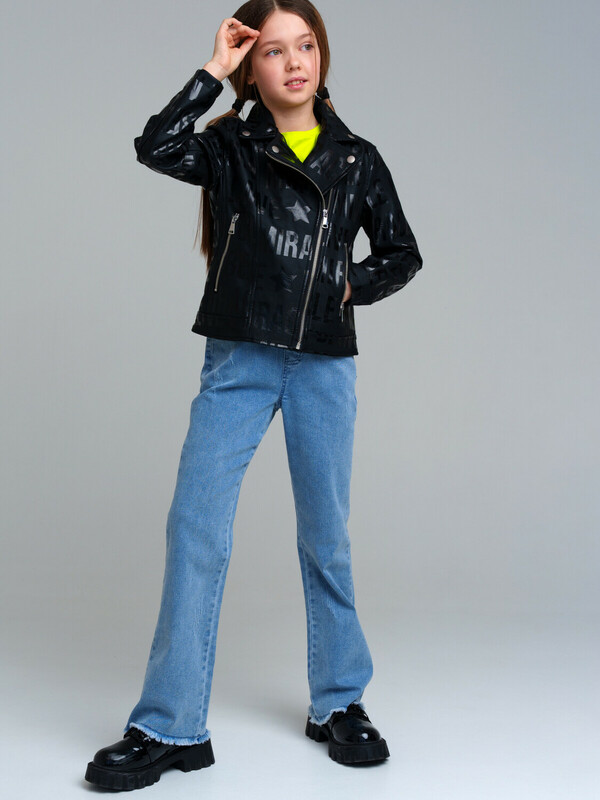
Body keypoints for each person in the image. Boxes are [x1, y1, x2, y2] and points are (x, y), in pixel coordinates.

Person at [85, 0, 422, 790]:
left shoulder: (357, 158)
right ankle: (170, 726)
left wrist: (348, 285)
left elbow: (402, 252)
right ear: (252, 66)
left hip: (322, 363)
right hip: (239, 355)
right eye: (272, 51)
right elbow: (154, 145)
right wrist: (213, 70)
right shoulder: (230, 146)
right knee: (195, 528)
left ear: (322, 55)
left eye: (305, 46)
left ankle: (339, 702)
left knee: (326, 537)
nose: (295, 63)